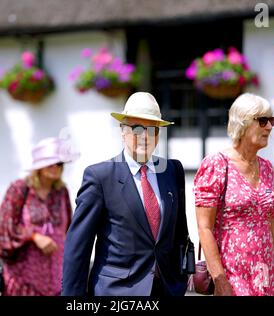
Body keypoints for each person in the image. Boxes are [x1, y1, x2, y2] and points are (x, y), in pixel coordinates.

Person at [62, 92, 189, 296]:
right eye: (137, 128)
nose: (145, 136)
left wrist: (184, 276)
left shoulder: (172, 170)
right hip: (116, 293)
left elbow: (180, 234)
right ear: (123, 131)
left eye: (152, 129)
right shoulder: (99, 176)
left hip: (167, 289)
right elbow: (78, 247)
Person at [193, 93, 274, 296]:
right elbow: (205, 228)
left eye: (271, 120)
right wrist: (219, 280)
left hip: (266, 277)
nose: (269, 127)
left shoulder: (266, 168)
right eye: (262, 121)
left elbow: (271, 230)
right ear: (243, 123)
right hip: (233, 277)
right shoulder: (217, 164)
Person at [0, 137, 77, 296]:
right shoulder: (19, 189)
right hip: (23, 280)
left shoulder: (62, 192)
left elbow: (69, 229)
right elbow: (4, 231)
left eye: (59, 163)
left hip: (55, 278)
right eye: (50, 162)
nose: (55, 167)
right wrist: (33, 236)